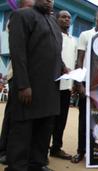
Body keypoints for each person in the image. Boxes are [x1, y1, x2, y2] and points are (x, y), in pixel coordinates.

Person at [6, 0, 65, 170]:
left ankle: (37, 164)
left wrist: (63, 67)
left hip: (50, 87)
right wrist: (23, 85)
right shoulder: (22, 15)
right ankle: (17, 166)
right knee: (23, 130)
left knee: (44, 128)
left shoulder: (54, 22)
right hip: (30, 86)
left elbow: (55, 49)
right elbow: (18, 52)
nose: (48, 0)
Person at [71, 9, 98, 163]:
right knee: (84, 119)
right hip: (87, 83)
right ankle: (81, 151)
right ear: (95, 18)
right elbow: (79, 59)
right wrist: (79, 82)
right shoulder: (85, 35)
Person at [0, 0, 35, 165]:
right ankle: (3, 150)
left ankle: (17, 151)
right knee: (12, 116)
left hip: (32, 76)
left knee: (22, 117)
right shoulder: (16, 18)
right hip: (17, 76)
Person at [49, 10, 77, 160]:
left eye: (69, 17)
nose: (66, 19)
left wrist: (73, 82)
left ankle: (56, 148)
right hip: (52, 84)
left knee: (61, 120)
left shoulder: (73, 40)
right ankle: (40, 148)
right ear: (57, 19)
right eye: (63, 17)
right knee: (48, 119)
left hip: (66, 86)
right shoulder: (53, 36)